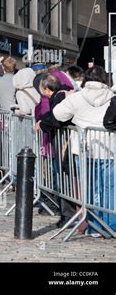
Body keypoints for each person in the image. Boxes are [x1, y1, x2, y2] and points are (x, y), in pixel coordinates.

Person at [53, 66, 115, 235]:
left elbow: (58, 114)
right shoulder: (112, 96)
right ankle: (110, 226)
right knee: (109, 188)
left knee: (90, 188)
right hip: (109, 149)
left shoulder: (77, 97)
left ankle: (94, 226)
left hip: (83, 149)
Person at [34, 74, 75, 228]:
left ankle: (68, 215)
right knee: (63, 176)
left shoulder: (59, 97)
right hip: (64, 141)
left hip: (64, 142)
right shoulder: (63, 94)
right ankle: (67, 213)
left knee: (63, 177)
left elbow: (57, 118)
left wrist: (43, 123)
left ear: (46, 89)